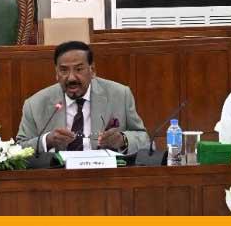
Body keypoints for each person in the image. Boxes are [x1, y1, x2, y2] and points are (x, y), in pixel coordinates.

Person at [16, 41, 149, 153]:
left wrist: (123, 139)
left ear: (92, 71)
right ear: (56, 73)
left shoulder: (120, 95)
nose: (71, 78)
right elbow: (19, 148)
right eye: (64, 70)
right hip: (58, 173)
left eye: (79, 69)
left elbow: (146, 140)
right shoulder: (35, 104)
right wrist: (47, 141)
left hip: (105, 172)